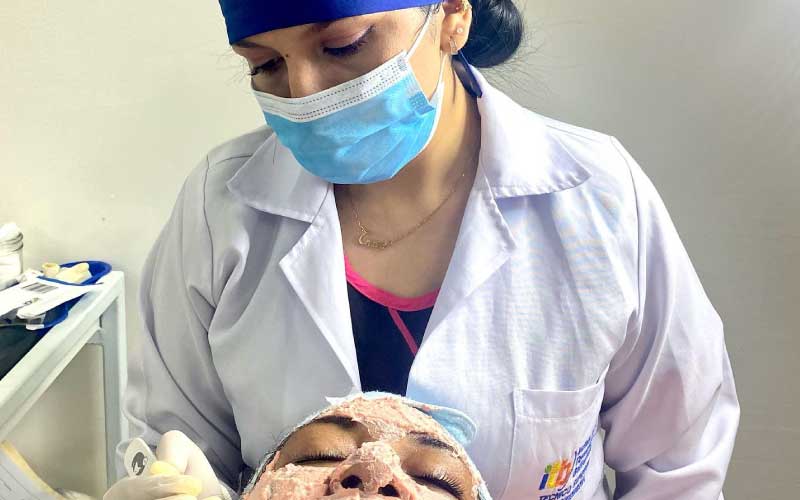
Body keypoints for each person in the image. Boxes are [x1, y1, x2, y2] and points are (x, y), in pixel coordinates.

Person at [112, 0, 740, 499]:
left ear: (452, 15)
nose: (302, 91)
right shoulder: (221, 207)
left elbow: (676, 464)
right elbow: (182, 442)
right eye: (264, 64)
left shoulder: (598, 198)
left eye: (344, 46)